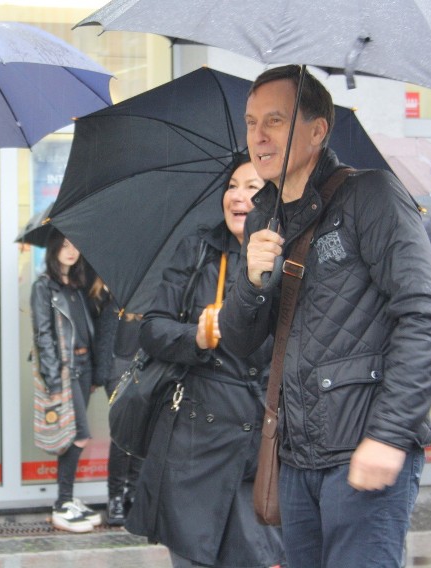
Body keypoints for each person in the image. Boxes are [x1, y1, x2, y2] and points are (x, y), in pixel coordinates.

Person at [218, 65, 431, 567]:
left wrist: (389, 435)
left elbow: (427, 316)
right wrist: (251, 281)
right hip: (296, 455)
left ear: (317, 130)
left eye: (275, 121)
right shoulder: (264, 217)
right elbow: (239, 343)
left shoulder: (371, 195)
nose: (257, 136)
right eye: (251, 122)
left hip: (362, 449)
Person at [127, 155, 284, 567]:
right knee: (193, 555)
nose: (237, 196)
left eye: (252, 187)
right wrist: (195, 336)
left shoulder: (294, 258)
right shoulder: (198, 249)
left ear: (274, 199)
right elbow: (152, 328)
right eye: (232, 185)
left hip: (260, 446)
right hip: (195, 445)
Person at [30, 229, 100, 532]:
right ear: (54, 247)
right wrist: (52, 380)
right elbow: (43, 334)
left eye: (76, 245)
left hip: (84, 367)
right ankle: (62, 503)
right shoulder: (44, 287)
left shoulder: (78, 285)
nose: (71, 251)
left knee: (73, 435)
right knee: (78, 434)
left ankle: (67, 499)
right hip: (64, 370)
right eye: (65, 245)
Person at [88, 277, 143, 526]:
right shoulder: (101, 291)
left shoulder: (148, 288)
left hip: (143, 367)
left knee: (141, 433)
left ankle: (133, 492)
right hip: (116, 368)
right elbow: (94, 333)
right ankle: (116, 498)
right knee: (122, 435)